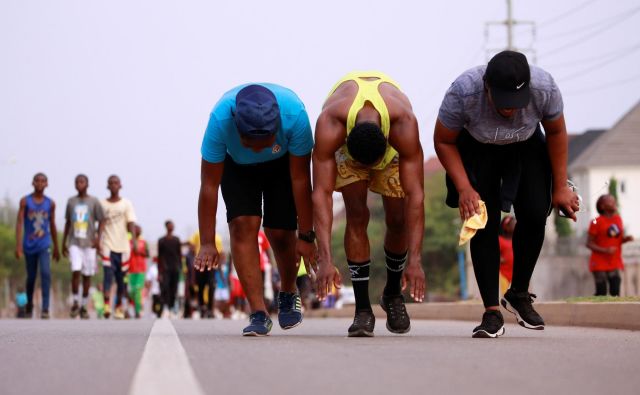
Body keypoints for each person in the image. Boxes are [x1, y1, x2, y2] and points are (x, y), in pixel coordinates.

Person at [434, 50, 580, 338]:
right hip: (478, 149)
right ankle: (491, 312)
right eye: (503, 103)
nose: (510, 110)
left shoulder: (543, 87)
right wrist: (464, 186)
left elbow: (556, 133)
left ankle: (519, 293)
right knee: (482, 221)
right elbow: (443, 140)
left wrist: (561, 186)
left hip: (526, 147)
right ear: (487, 86)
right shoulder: (464, 92)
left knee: (537, 212)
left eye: (516, 103)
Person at [196, 83, 316, 336]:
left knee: (281, 232)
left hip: (282, 165)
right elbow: (209, 185)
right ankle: (258, 312)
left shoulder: (294, 115)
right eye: (250, 143)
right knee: (242, 226)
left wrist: (306, 235)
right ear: (236, 128)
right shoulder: (220, 120)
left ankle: (288, 291)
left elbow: (302, 180)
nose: (258, 150)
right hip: (236, 167)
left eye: (264, 142)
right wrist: (207, 242)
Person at [313, 71, 426, 337]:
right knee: (356, 215)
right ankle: (363, 310)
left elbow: (416, 196)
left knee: (397, 220)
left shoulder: (403, 124)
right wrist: (325, 260)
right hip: (350, 146)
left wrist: (416, 260)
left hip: (390, 145)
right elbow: (321, 194)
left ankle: (392, 294)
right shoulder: (331, 123)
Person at [15, 172, 60, 319]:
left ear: (47, 184)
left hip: (44, 244)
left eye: (43, 181)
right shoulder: (25, 201)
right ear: (33, 183)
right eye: (37, 181)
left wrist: (57, 247)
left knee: (46, 273)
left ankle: (45, 308)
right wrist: (18, 245)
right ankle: (29, 305)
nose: (40, 183)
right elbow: (20, 223)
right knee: (31, 277)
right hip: (29, 244)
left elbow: (52, 224)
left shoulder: (50, 203)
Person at [62, 174, 105, 319]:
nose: (79, 184)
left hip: (89, 244)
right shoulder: (71, 201)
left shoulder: (94, 201)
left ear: (87, 184)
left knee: (87, 275)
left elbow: (102, 220)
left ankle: (84, 305)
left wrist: (98, 239)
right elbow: (68, 222)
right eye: (77, 182)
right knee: (75, 270)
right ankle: (75, 301)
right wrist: (63, 243)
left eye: (82, 182)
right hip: (74, 242)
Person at [100, 175, 138, 319]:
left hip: (123, 248)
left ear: (120, 185)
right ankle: (106, 305)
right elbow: (101, 224)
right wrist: (98, 241)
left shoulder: (126, 204)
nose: (114, 185)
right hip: (108, 245)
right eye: (111, 183)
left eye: (116, 183)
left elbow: (131, 223)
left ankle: (119, 307)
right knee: (108, 277)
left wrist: (134, 241)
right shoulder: (102, 204)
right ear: (108, 186)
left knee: (121, 280)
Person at [586, 194, 634, 296]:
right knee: (601, 292)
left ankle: (616, 312)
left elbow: (617, 240)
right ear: (602, 206)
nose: (614, 203)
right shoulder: (596, 222)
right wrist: (605, 250)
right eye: (610, 201)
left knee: (615, 291)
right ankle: (597, 311)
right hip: (599, 262)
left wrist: (626, 239)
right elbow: (589, 243)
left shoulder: (618, 219)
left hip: (614, 261)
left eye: (614, 201)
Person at [158, 220, 182, 315]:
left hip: (175, 268)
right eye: (170, 225)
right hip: (165, 269)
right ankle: (166, 307)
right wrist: (160, 271)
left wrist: (180, 268)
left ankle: (172, 307)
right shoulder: (161, 240)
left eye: (173, 225)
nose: (172, 227)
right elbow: (160, 256)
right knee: (165, 287)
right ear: (166, 227)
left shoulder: (177, 240)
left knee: (174, 288)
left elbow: (179, 255)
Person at [127, 225, 148, 318]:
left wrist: (139, 252)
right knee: (132, 291)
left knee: (138, 290)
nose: (138, 231)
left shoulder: (143, 242)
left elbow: (147, 254)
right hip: (131, 270)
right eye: (136, 229)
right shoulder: (128, 242)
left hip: (140, 270)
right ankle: (133, 306)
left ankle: (137, 310)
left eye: (139, 229)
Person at [498, 215, 516, 295]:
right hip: (504, 274)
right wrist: (501, 259)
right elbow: (494, 254)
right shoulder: (500, 240)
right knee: (505, 294)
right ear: (505, 227)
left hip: (515, 273)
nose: (515, 226)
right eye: (513, 225)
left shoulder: (517, 240)